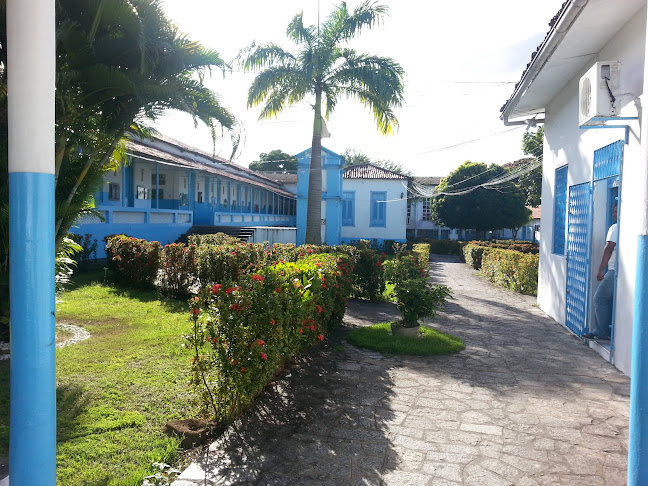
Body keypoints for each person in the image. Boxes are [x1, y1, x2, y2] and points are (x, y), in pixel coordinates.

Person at [584, 205, 618, 340]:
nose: (614, 214)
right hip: (619, 270)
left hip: (613, 270)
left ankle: (601, 331)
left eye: (617, 211)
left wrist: (600, 270)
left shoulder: (615, 228)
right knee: (607, 300)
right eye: (613, 211)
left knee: (599, 298)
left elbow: (609, 248)